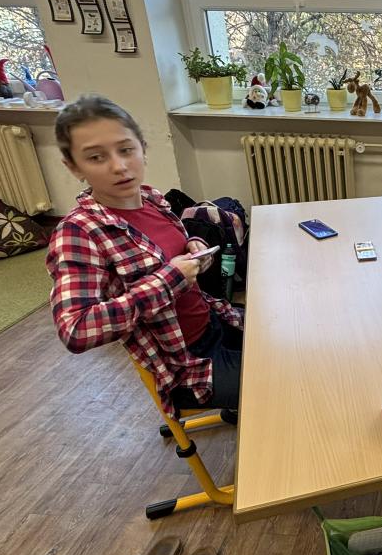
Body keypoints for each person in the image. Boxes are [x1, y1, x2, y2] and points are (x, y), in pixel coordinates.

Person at [46, 95, 243, 414]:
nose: (119, 166)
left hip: (214, 321)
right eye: (96, 157)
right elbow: (76, 329)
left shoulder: (151, 199)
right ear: (74, 167)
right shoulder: (78, 232)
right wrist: (171, 279)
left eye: (126, 150)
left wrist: (193, 247)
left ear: (142, 148)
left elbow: (163, 253)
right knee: (290, 382)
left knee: (293, 343)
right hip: (187, 367)